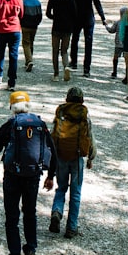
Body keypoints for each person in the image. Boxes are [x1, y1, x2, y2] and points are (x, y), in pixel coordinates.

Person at [0, 91, 55, 255]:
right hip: (33, 176)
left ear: (12, 107)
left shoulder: (11, 124)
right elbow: (52, 151)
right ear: (28, 106)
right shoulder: (40, 124)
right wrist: (50, 176)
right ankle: (30, 251)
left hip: (12, 176)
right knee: (30, 213)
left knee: (12, 217)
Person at [48, 87, 96, 238]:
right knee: (75, 193)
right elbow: (90, 137)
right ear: (82, 100)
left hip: (61, 155)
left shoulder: (61, 113)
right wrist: (91, 157)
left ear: (67, 99)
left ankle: (57, 211)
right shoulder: (84, 117)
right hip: (76, 158)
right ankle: (71, 227)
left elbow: (53, 135)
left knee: (61, 188)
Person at [68, 0, 107, 77]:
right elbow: (96, 2)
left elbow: (71, 3)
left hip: (76, 17)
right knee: (88, 42)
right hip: (88, 17)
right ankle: (86, 69)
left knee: (75, 39)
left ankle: (74, 62)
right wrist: (102, 17)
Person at [46, 0, 78, 82]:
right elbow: (75, 14)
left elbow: (48, 13)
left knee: (55, 51)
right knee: (64, 50)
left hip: (56, 27)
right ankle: (66, 66)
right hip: (67, 28)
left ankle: (56, 74)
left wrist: (54, 17)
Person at [20, 0, 43, 73]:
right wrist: (37, 22)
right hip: (34, 26)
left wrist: (20, 22)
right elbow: (40, 15)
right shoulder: (37, 2)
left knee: (26, 43)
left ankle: (29, 60)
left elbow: (20, 14)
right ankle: (29, 59)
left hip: (25, 26)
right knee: (31, 42)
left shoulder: (23, 2)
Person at [104, 6, 128, 80]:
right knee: (127, 60)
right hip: (127, 44)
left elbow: (111, 30)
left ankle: (114, 72)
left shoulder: (118, 22)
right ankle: (127, 75)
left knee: (115, 58)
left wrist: (106, 25)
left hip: (118, 44)